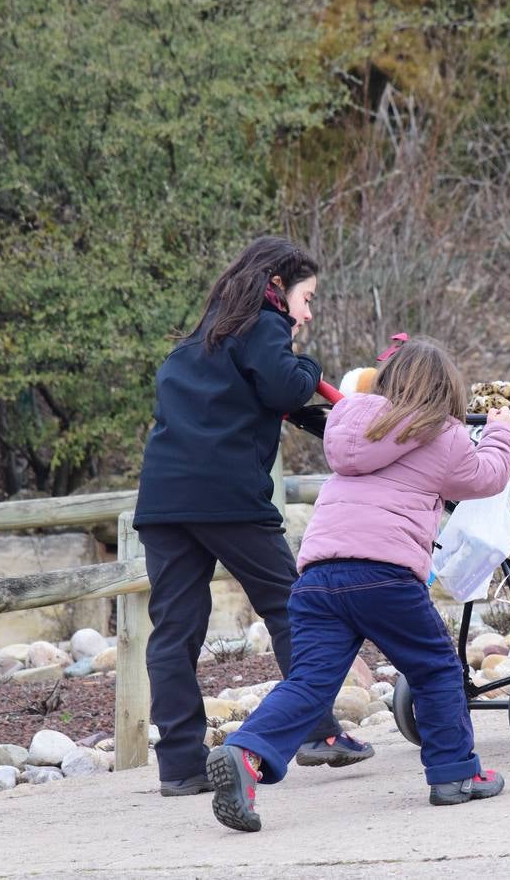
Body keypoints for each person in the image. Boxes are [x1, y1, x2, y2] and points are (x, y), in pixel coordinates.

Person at [205, 336, 510, 832]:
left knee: (310, 682)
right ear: (446, 394)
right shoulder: (445, 433)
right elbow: (486, 477)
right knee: (436, 669)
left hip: (317, 578)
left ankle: (246, 752)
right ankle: (456, 775)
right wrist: (504, 431)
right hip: (385, 576)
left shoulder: (352, 422)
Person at [133, 236, 372, 798]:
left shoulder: (198, 340)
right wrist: (305, 360)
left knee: (174, 631)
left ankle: (181, 766)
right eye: (306, 299)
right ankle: (317, 731)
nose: (307, 313)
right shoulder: (263, 326)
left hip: (164, 501)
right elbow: (286, 385)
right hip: (228, 496)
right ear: (277, 287)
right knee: (296, 607)